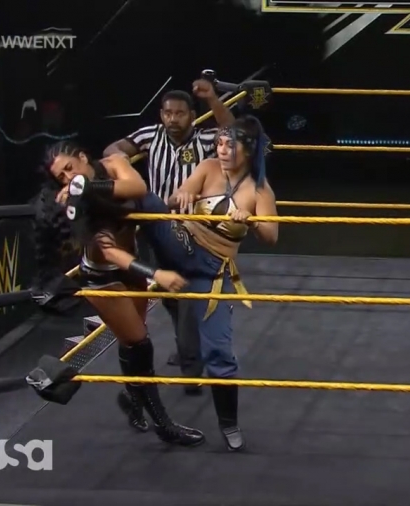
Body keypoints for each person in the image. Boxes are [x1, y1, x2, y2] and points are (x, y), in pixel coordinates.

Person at [32, 140, 205, 447]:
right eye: (61, 177)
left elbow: (137, 188)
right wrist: (157, 274)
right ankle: (163, 424)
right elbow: (110, 252)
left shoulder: (112, 164)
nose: (68, 178)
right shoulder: (78, 207)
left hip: (130, 265)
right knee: (140, 343)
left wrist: (89, 187)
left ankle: (134, 401)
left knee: (132, 340)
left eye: (69, 168)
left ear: (83, 156)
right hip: (104, 279)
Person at [140, 114, 278, 451]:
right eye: (220, 144)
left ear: (248, 149)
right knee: (145, 199)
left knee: (219, 351)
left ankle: (229, 423)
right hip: (181, 244)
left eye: (231, 145)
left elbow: (271, 236)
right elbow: (176, 196)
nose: (223, 150)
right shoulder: (208, 167)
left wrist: (252, 220)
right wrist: (182, 196)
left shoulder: (259, 190)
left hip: (212, 271)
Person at [103, 81, 236, 394]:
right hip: (156, 226)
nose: (173, 119)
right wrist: (120, 162)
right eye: (168, 113)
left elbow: (231, 132)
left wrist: (212, 99)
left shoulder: (205, 139)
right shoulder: (149, 136)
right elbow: (113, 150)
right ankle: (188, 347)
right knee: (170, 295)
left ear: (192, 115)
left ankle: (192, 367)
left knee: (187, 295)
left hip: (194, 229)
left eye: (179, 113)